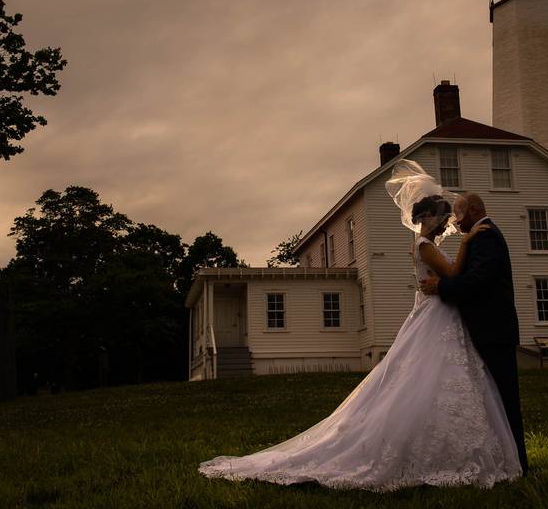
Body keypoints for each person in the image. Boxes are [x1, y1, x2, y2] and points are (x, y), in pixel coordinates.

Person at [198, 166, 522, 490]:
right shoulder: (425, 245)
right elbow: (452, 272)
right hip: (436, 314)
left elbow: (451, 277)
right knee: (426, 379)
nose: (449, 223)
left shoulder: (427, 244)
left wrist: (457, 260)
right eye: (444, 217)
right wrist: (467, 244)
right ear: (429, 218)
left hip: (441, 314)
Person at [420, 191, 529, 473]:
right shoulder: (477, 237)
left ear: (471, 211)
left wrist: (440, 287)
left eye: (456, 215)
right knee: (492, 399)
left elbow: (477, 281)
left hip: (494, 330)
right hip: (485, 329)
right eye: (448, 217)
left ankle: (516, 462)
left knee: (503, 400)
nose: (453, 223)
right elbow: (463, 274)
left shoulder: (487, 236)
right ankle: (506, 459)